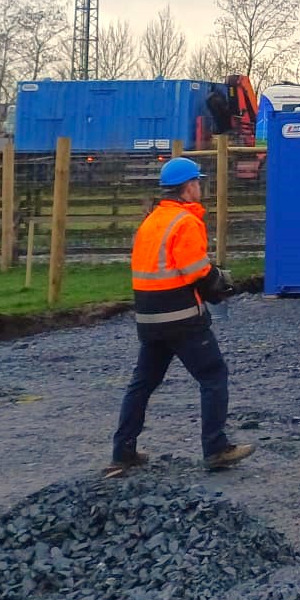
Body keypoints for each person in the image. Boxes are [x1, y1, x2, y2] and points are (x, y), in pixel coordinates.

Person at [106, 157, 253, 476]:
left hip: (148, 318)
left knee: (142, 383)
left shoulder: (152, 220)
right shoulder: (185, 222)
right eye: (198, 182)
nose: (201, 187)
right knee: (213, 376)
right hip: (181, 316)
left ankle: (122, 453)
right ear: (188, 188)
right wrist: (219, 282)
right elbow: (195, 270)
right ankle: (216, 448)